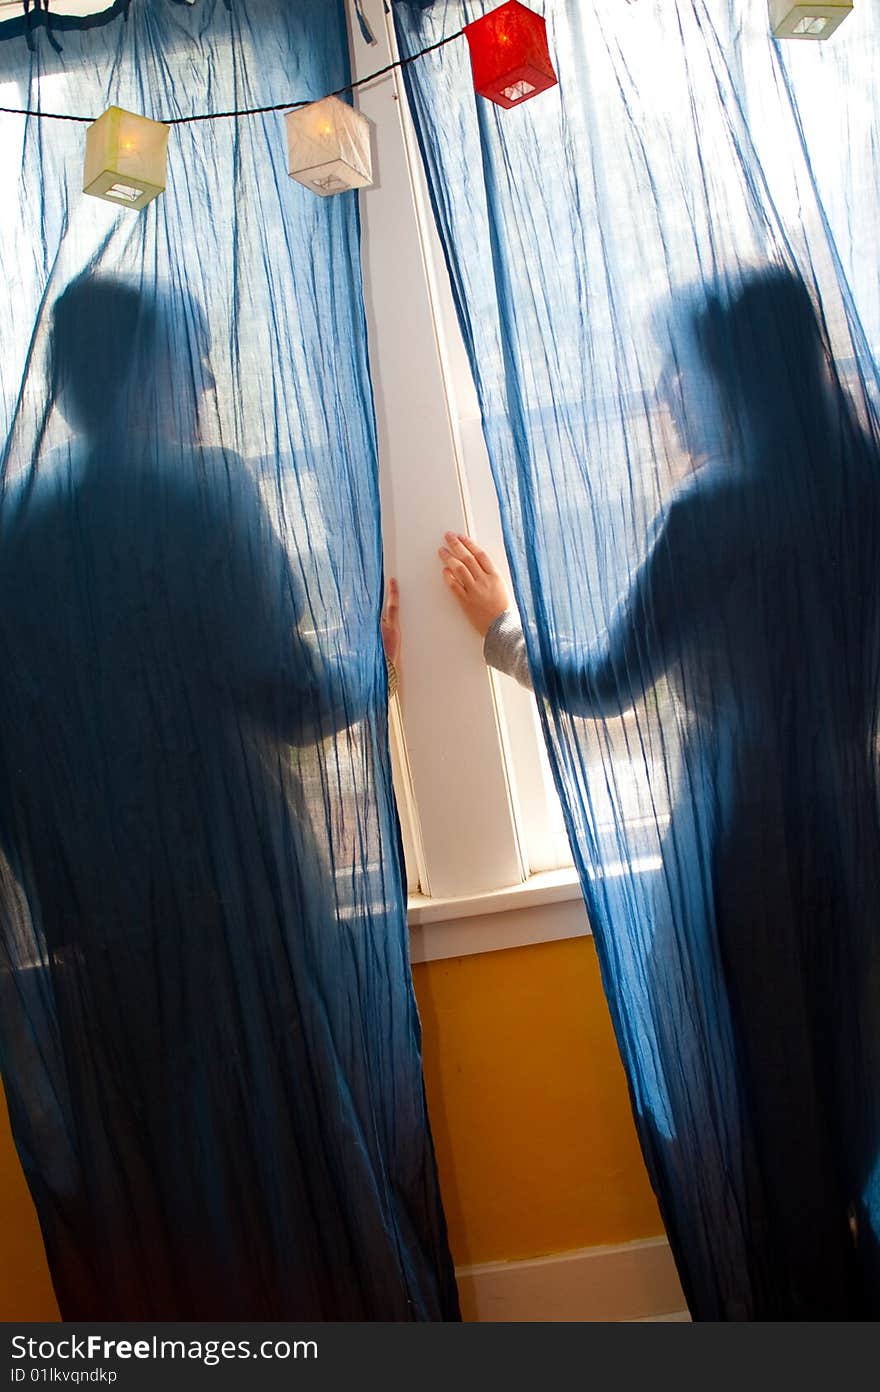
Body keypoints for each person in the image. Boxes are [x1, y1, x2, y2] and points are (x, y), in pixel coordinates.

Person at [0, 274, 456, 1320]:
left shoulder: (14, 532)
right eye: (197, 363)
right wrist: (370, 669)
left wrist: (58, 901)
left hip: (104, 925)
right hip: (244, 892)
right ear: (157, 376)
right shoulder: (206, 494)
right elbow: (287, 695)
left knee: (177, 1187)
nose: (209, 384)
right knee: (301, 1150)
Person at [438, 266, 880, 1318]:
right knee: (852, 1092)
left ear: (727, 374)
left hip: (743, 840)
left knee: (767, 1114)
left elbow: (600, 682)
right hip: (856, 817)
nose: (665, 393)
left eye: (677, 369)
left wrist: (499, 627)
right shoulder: (862, 477)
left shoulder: (709, 510)